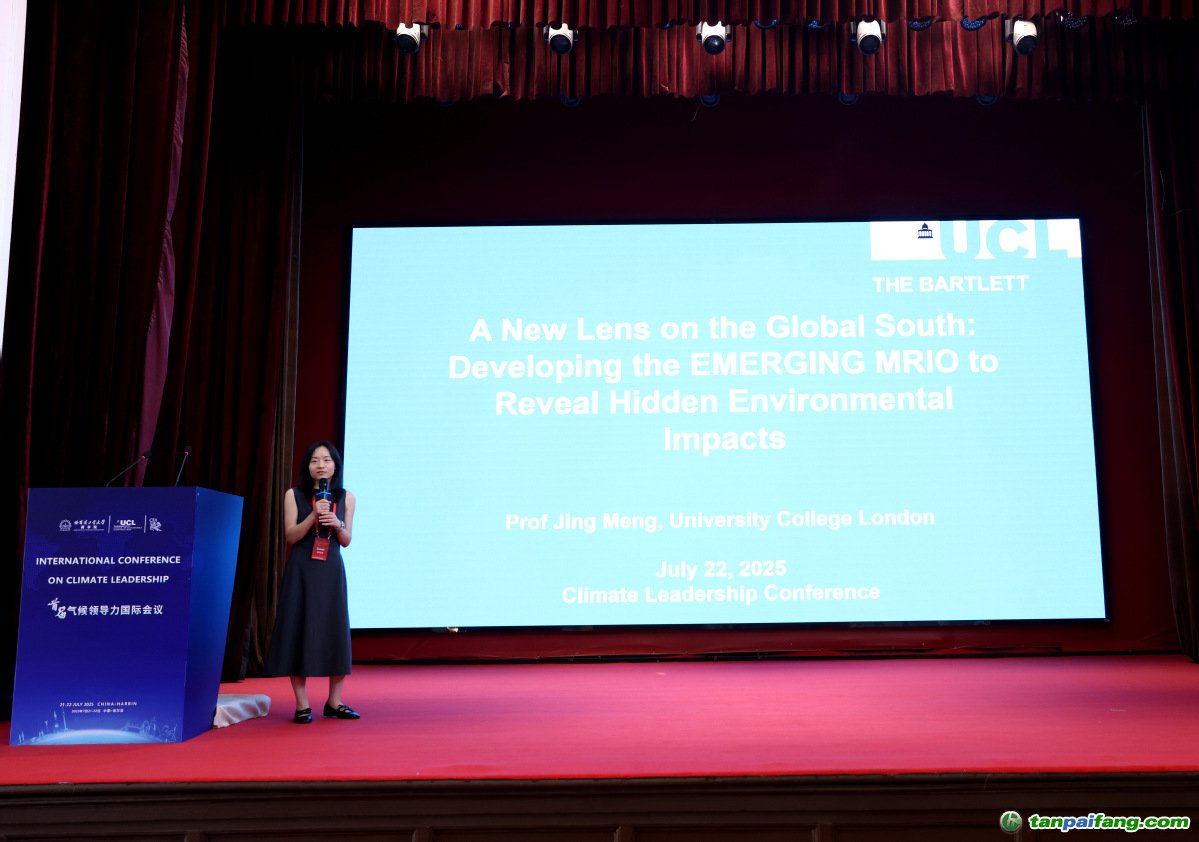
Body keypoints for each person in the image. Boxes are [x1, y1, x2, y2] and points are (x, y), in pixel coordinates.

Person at [263, 440, 360, 724]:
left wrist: (337, 524)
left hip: (330, 568)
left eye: (327, 460)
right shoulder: (293, 495)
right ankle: (302, 704)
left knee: (335, 628)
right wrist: (313, 516)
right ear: (307, 466)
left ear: (335, 466)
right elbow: (291, 536)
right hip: (302, 568)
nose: (321, 466)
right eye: (315, 461)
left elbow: (346, 541)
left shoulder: (346, 497)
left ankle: (334, 701)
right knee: (298, 627)